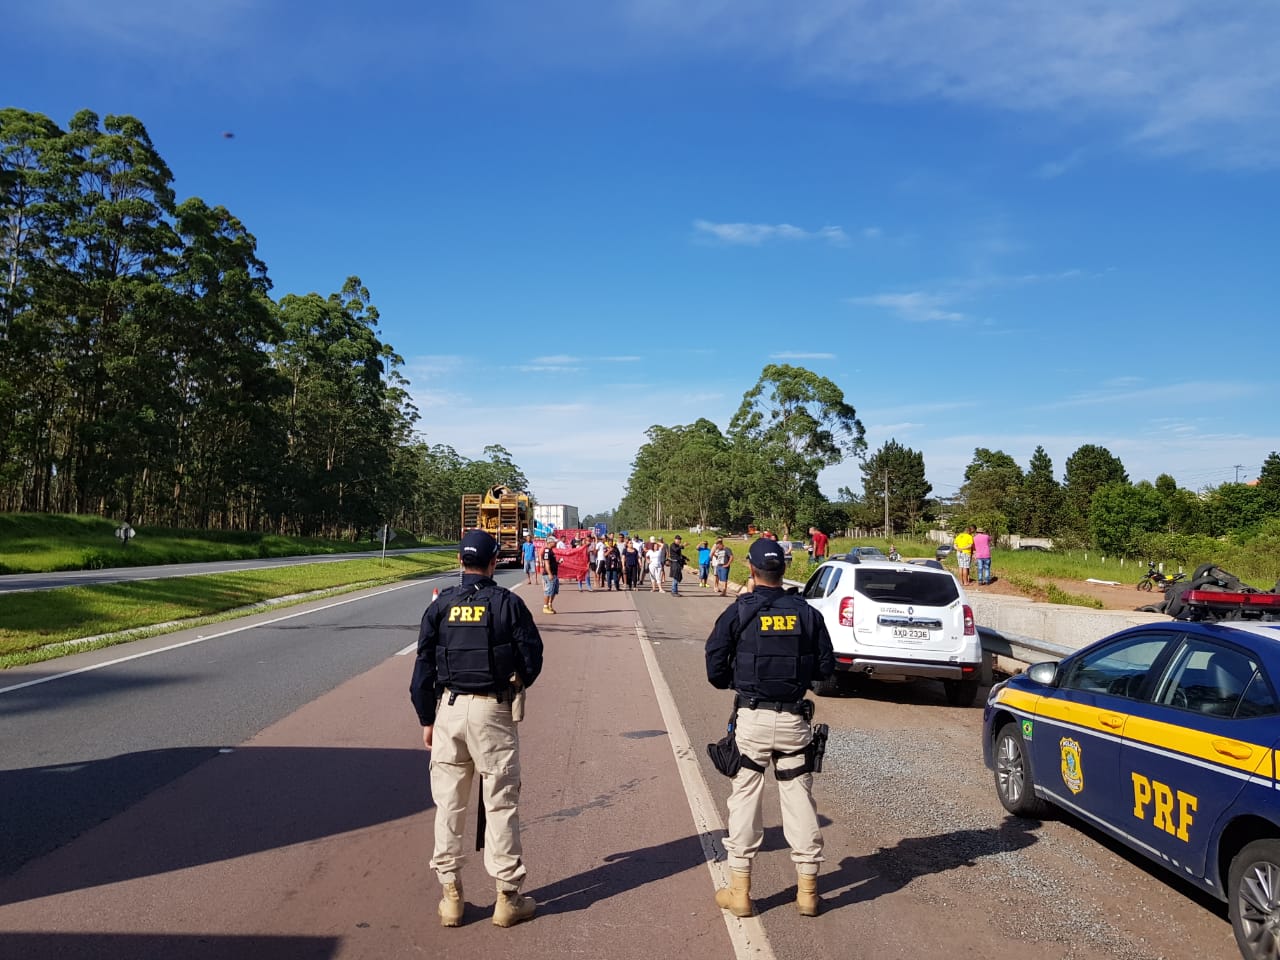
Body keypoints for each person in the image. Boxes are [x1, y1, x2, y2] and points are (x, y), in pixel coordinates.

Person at [409, 530, 544, 929]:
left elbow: (423, 668)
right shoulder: (508, 604)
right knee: (500, 802)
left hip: (448, 709)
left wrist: (426, 719)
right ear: (494, 562)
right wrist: (515, 682)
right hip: (492, 711)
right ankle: (507, 897)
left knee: (449, 804)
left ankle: (451, 896)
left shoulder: (441, 605)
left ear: (459, 560)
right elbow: (532, 658)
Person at [704, 537, 835, 919]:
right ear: (784, 570)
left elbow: (714, 662)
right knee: (799, 801)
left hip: (753, 719)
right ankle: (808, 892)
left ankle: (740, 891)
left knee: (745, 797)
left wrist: (736, 681)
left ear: (750, 568)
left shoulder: (740, 611)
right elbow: (826, 669)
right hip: (795, 720)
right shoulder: (806, 613)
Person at [541, 536, 559, 613]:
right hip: (549, 574)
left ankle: (549, 605)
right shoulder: (547, 551)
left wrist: (558, 563)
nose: (556, 543)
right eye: (554, 542)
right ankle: (545, 607)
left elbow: (551, 563)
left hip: (554, 573)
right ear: (550, 542)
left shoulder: (551, 551)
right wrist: (549, 574)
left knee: (554, 591)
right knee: (548, 590)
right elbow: (546, 563)